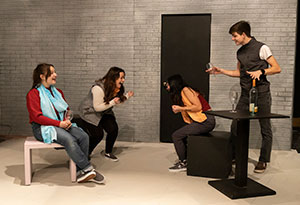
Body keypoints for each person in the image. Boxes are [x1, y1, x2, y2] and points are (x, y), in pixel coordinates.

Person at [206, 20, 281, 173]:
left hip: (262, 94)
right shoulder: (240, 53)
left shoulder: (262, 48)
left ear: (244, 34)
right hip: (245, 95)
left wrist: (262, 72)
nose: (233, 39)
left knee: (265, 128)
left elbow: (276, 68)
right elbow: (238, 73)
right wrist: (220, 71)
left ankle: (263, 160)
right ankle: (235, 155)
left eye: (234, 36)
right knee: (235, 125)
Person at [26, 63, 105, 184]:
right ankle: (87, 168)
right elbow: (37, 117)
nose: (55, 75)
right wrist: (59, 124)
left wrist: (66, 119)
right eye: (51, 73)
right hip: (42, 128)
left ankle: (79, 171)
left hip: (60, 124)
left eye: (54, 72)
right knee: (69, 139)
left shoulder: (58, 92)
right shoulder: (33, 94)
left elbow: (66, 110)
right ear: (42, 76)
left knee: (83, 136)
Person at [76, 66, 134, 161]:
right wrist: (112, 102)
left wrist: (126, 96)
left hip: (104, 111)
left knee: (113, 129)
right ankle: (85, 153)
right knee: (97, 135)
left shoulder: (115, 87)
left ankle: (108, 152)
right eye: (121, 78)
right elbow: (97, 107)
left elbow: (116, 102)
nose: (123, 80)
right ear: (113, 78)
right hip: (90, 112)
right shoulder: (98, 88)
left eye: (124, 78)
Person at [164, 74, 215, 172]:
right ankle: (187, 160)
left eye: (169, 84)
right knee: (181, 135)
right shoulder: (182, 93)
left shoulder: (186, 90)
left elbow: (198, 106)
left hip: (206, 121)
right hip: (203, 121)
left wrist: (180, 108)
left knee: (176, 135)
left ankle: (183, 162)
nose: (167, 87)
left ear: (174, 84)